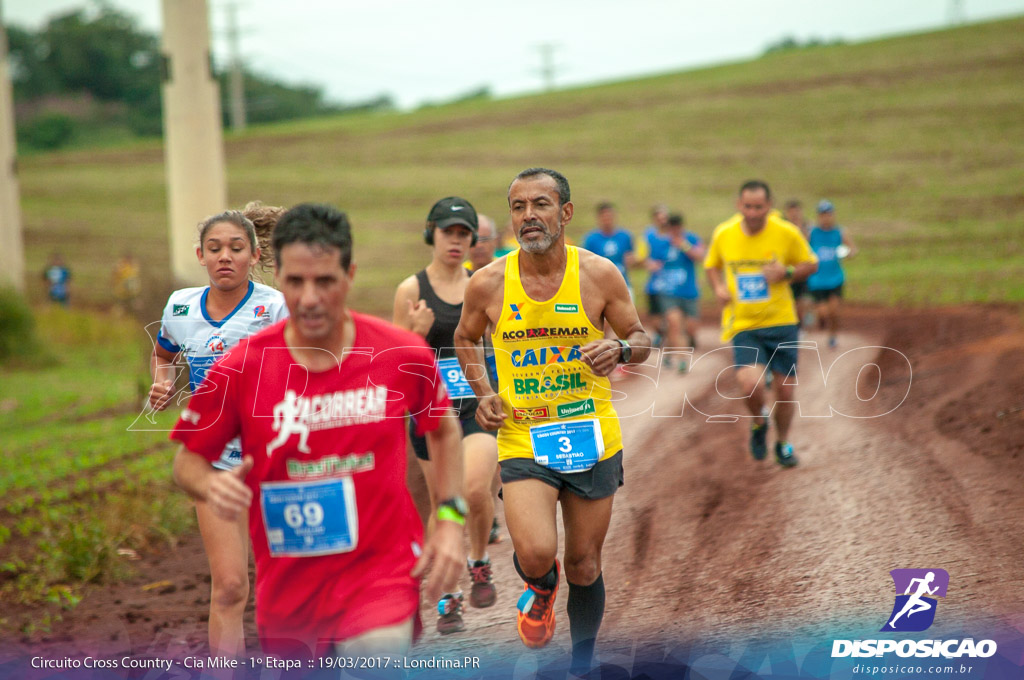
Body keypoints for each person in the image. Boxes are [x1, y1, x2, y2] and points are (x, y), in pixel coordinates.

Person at [170, 203, 465, 660]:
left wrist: (449, 520)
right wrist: (211, 484)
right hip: (290, 591)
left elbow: (444, 432)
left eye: (324, 281)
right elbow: (187, 460)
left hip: (380, 575)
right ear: (278, 279)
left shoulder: (399, 353)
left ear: (349, 275)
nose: (309, 298)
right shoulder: (242, 367)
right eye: (295, 282)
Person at [454, 168, 651, 675]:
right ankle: (541, 586)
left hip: (590, 432)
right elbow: (464, 337)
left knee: (585, 562)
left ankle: (582, 663)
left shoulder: (599, 274)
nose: (528, 216)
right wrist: (484, 391)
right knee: (538, 551)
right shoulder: (489, 282)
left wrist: (621, 347)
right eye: (518, 207)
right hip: (523, 434)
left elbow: (642, 337)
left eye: (540, 204)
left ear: (564, 213)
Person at [148, 206, 289, 657]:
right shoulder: (180, 306)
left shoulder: (273, 306)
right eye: (214, 249)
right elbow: (163, 354)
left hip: (272, 460)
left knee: (286, 588)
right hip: (211, 461)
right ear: (200, 256)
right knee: (229, 587)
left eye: (235, 247)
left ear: (254, 254)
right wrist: (163, 382)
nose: (224, 256)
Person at [392, 197, 500, 635]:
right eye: (447, 232)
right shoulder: (410, 291)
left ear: (473, 239)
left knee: (474, 490)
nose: (456, 241)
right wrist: (414, 337)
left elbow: (504, 345)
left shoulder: (486, 284)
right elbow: (395, 362)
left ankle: (478, 559)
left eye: (464, 234)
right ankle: (448, 595)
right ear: (431, 234)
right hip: (430, 415)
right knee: (442, 505)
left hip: (478, 407)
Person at [704, 180, 817, 468]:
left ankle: (783, 444)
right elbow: (711, 265)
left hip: (782, 323)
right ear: (738, 205)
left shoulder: (786, 232)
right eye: (747, 206)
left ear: (769, 206)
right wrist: (718, 288)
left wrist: (787, 271)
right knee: (749, 385)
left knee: (786, 391)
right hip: (745, 324)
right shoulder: (725, 233)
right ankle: (758, 422)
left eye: (759, 207)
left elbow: (810, 264)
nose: (753, 213)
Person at [649, 213, 705, 371]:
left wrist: (684, 245)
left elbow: (701, 256)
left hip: (689, 291)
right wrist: (652, 266)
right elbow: (653, 261)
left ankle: (668, 350)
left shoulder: (691, 239)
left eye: (676, 228)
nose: (674, 232)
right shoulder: (662, 243)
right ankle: (682, 359)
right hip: (668, 292)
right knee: (674, 323)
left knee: (690, 328)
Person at [807, 199, 857, 349]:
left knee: (834, 311)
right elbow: (802, 249)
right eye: (822, 214)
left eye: (828, 214)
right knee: (823, 312)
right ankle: (819, 318)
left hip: (835, 278)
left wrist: (848, 253)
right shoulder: (812, 233)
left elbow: (853, 249)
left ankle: (833, 336)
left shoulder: (840, 232)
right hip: (817, 280)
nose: (825, 217)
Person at [582, 202, 636, 295]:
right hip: (600, 286)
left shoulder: (625, 236)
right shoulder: (591, 239)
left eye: (609, 217)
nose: (607, 220)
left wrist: (632, 260)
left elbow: (631, 258)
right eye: (604, 217)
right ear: (599, 218)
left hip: (622, 283)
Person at [641, 204, 670, 347]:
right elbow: (640, 256)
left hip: (671, 284)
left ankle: (672, 338)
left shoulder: (673, 235)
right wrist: (648, 263)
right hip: (654, 283)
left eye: (665, 218)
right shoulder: (648, 235)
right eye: (659, 218)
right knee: (655, 318)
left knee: (672, 315)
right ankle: (661, 333)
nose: (662, 221)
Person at [783, 199, 813, 328]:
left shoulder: (808, 227)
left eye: (796, 212)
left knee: (802, 298)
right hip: (786, 268)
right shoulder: (782, 227)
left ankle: (801, 323)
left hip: (803, 268)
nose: (794, 214)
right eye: (791, 212)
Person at [112, 251, 142, 316]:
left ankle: (135, 315)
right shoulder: (121, 265)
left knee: (134, 305)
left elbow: (136, 279)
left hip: (132, 292)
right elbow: (115, 276)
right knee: (121, 306)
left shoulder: (134, 266)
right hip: (122, 292)